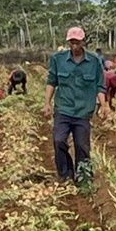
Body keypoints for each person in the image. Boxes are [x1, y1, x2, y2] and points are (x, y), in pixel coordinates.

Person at [44, 26, 107, 184]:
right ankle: (65, 175)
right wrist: (47, 103)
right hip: (63, 109)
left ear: (83, 42)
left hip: (83, 111)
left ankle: (84, 175)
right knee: (59, 141)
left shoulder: (94, 62)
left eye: (77, 43)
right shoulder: (58, 59)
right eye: (71, 43)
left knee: (82, 146)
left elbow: (100, 86)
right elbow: (52, 82)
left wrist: (104, 106)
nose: (74, 46)